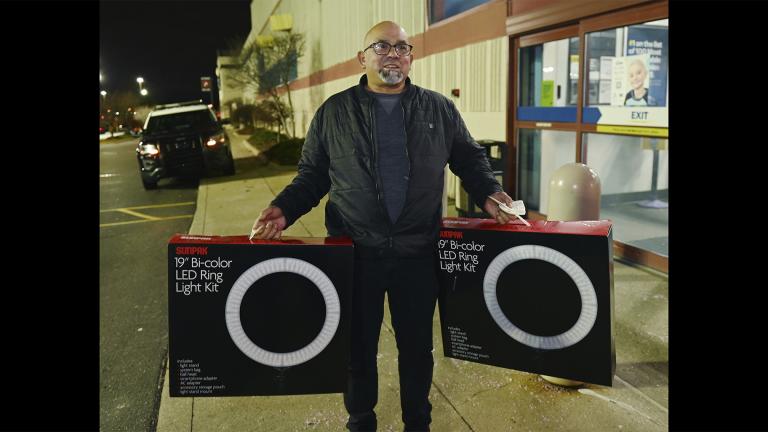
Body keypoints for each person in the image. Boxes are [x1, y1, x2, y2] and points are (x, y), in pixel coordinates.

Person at [250, 21, 516, 432]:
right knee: (358, 349)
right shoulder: (333, 113)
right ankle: (361, 420)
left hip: (417, 254)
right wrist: (283, 209)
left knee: (416, 350)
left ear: (411, 57)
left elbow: (470, 161)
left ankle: (417, 422)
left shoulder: (439, 109)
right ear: (363, 57)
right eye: (381, 46)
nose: (393, 54)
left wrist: (491, 195)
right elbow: (312, 176)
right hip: (355, 254)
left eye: (402, 47)